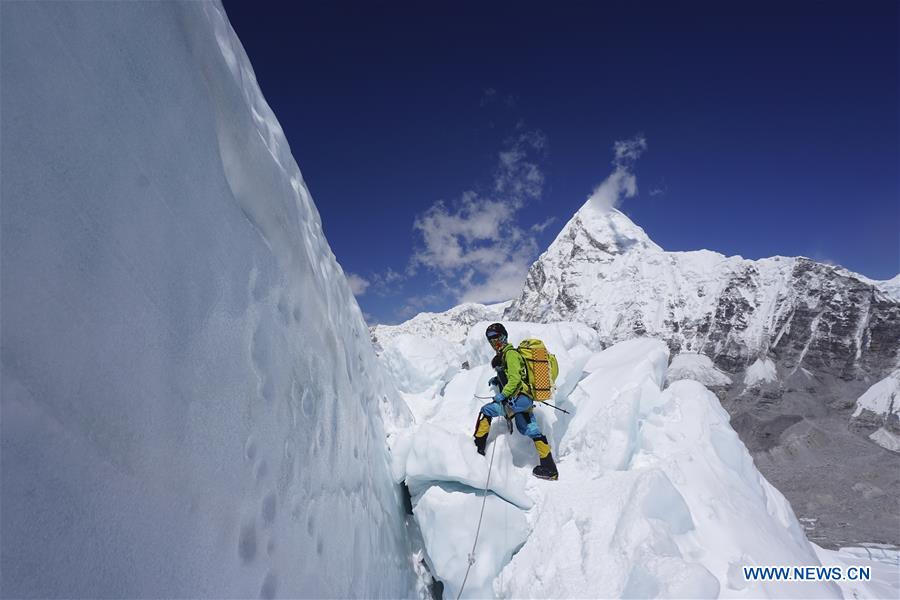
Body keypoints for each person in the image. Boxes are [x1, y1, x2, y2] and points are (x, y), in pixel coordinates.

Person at [473, 323, 559, 480]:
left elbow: (515, 379)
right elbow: (513, 376)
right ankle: (550, 468)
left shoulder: (511, 354)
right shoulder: (507, 354)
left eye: (497, 337)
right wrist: (497, 380)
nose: (494, 342)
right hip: (524, 400)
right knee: (529, 429)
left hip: (517, 399)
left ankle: (477, 450)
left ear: (504, 336)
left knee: (486, 411)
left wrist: (502, 395)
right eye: (491, 340)